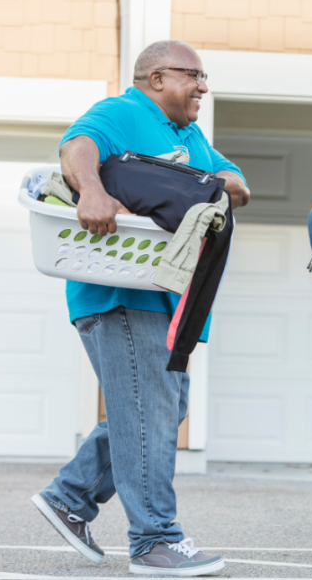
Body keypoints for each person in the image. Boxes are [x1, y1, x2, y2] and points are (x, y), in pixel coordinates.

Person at [31, 40, 250, 577]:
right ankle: (154, 539)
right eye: (193, 75)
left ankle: (70, 496)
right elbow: (76, 145)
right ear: (156, 77)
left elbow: (238, 187)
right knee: (149, 413)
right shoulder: (123, 111)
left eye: (205, 77)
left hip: (168, 297)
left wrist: (173, 182)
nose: (203, 87)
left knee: (163, 411)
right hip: (121, 292)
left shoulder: (191, 136)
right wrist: (93, 191)